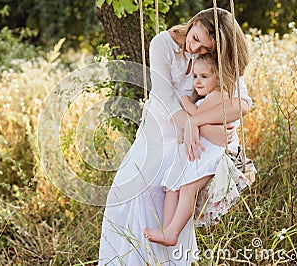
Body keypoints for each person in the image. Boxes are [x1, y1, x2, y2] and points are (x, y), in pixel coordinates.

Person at [98, 7, 252, 265]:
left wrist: (196, 122)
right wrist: (197, 125)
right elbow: (166, 98)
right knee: (136, 196)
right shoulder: (162, 44)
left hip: (189, 144)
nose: (195, 49)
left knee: (175, 198)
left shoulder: (216, 55)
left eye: (204, 48)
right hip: (159, 133)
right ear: (192, 23)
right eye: (195, 39)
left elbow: (242, 103)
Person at [144, 54, 253, 246]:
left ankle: (172, 232)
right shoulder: (206, 97)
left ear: (218, 78)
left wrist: (185, 101)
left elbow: (195, 116)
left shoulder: (219, 94)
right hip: (199, 152)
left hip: (213, 153)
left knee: (188, 187)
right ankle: (167, 228)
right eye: (195, 76)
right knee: (172, 185)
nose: (197, 81)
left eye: (204, 76)